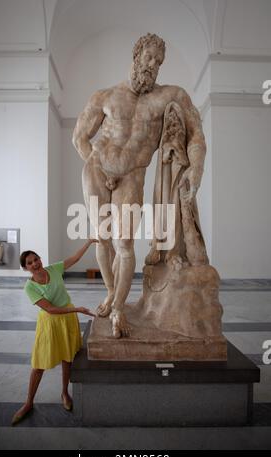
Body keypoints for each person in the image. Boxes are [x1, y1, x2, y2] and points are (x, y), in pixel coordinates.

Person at [72, 33, 206, 339]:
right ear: (136, 56)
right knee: (102, 240)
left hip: (132, 174)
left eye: (159, 61)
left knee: (125, 244)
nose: (153, 65)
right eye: (149, 57)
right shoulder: (104, 96)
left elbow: (196, 131)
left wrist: (196, 165)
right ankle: (110, 293)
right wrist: (95, 162)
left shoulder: (169, 96)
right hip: (96, 168)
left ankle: (119, 308)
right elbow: (79, 137)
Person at [11, 239, 98, 425]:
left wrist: (89, 243)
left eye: (36, 259)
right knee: (39, 363)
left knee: (67, 358)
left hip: (67, 320)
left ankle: (65, 393)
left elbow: (74, 259)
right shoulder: (30, 287)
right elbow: (50, 309)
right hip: (50, 322)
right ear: (25, 268)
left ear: (40, 259)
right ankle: (28, 403)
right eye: (30, 263)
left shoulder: (54, 269)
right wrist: (78, 310)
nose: (35, 263)